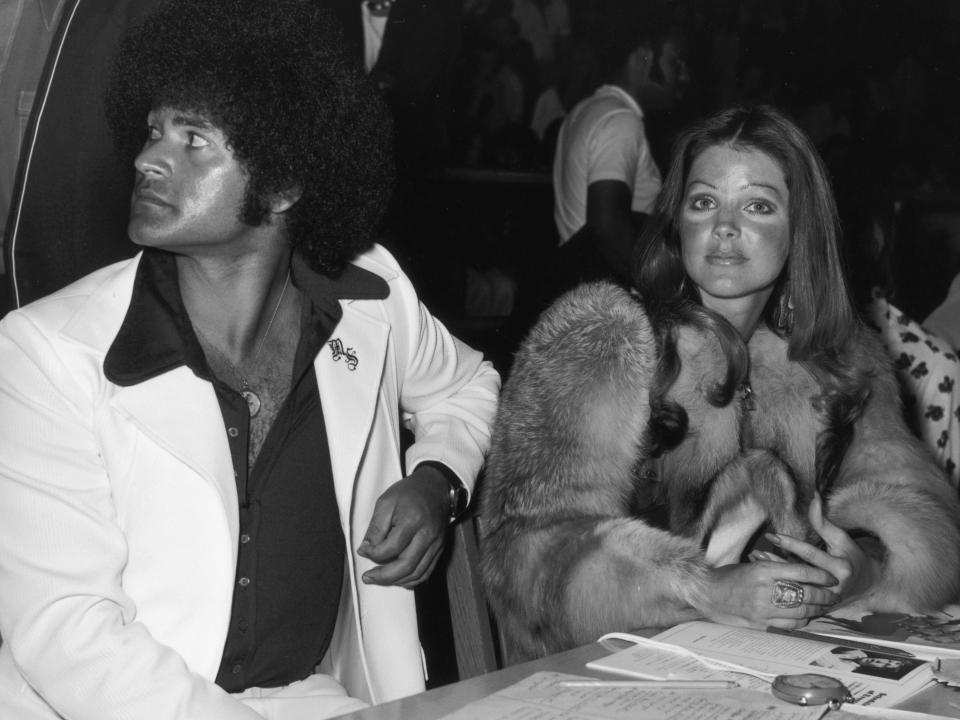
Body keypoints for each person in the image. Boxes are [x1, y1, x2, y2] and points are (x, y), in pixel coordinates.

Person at [0, 1, 500, 718]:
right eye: (153, 132)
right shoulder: (47, 353)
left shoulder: (367, 298)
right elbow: (69, 636)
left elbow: (469, 384)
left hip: (308, 699)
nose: (148, 158)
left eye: (195, 139)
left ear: (286, 182)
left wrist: (439, 480)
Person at [478, 104, 960, 661]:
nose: (725, 227)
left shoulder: (837, 362)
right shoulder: (602, 344)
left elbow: (918, 514)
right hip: (610, 673)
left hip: (760, 666)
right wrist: (701, 590)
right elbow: (520, 562)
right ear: (677, 223)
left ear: (799, 231)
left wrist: (865, 567)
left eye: (758, 206)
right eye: (703, 201)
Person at [548, 3, 687, 297]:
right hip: (602, 295)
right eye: (675, 62)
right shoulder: (620, 120)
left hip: (579, 289)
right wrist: (654, 291)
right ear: (644, 57)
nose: (683, 76)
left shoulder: (586, 109)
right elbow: (606, 224)